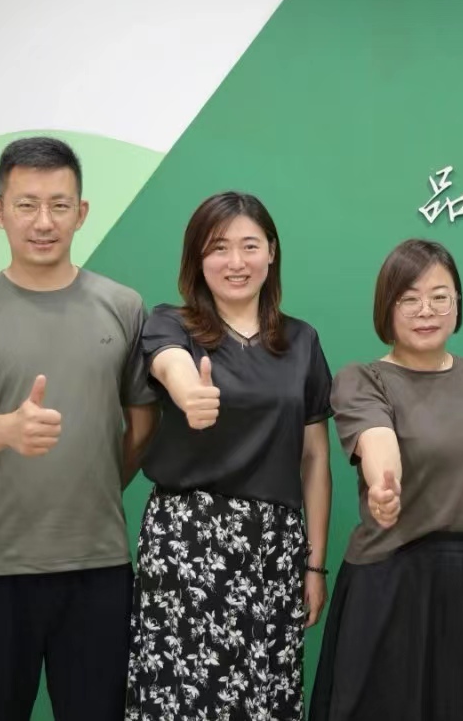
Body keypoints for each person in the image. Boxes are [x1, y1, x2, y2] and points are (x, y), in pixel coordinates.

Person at [0, 136, 158, 720]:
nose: (43, 221)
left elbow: (142, 424)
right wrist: (8, 429)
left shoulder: (124, 306)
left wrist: (93, 481)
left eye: (59, 205)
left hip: (99, 570)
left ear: (81, 212)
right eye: (26, 204)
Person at [125, 191, 334, 721]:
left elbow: (314, 459)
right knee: (181, 697)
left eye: (249, 246)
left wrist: (314, 565)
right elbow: (169, 363)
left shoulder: (302, 341)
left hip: (274, 547)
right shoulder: (171, 323)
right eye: (218, 248)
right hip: (187, 542)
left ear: (272, 252)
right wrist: (188, 392)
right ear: (197, 258)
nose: (235, 262)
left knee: (266, 696)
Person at [309, 238, 463, 721]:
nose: (426, 311)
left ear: (457, 302)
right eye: (409, 299)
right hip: (390, 576)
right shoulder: (364, 379)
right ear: (387, 306)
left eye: (440, 296)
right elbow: (378, 442)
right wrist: (384, 487)